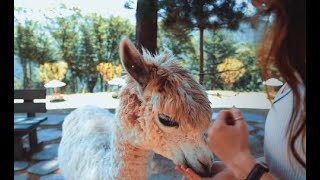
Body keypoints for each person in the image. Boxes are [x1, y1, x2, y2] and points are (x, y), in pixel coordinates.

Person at [176, 0, 306, 179]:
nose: (254, 6)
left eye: (269, 9)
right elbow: (285, 163)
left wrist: (239, 160)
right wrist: (231, 171)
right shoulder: (294, 83)